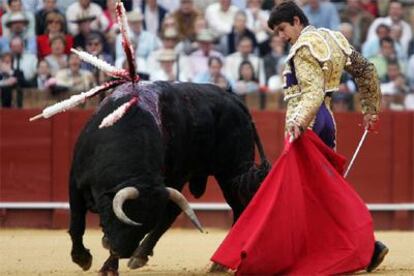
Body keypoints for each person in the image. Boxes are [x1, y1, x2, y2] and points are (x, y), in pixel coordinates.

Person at [211, 1, 388, 274]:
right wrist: (371, 109)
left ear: (296, 21)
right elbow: (366, 70)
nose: (281, 36)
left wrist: (298, 123)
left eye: (283, 29)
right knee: (323, 192)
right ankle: (367, 246)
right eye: (277, 32)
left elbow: (313, 93)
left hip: (309, 124)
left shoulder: (303, 48)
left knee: (300, 192)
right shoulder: (334, 38)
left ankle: (285, 252)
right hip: (327, 121)